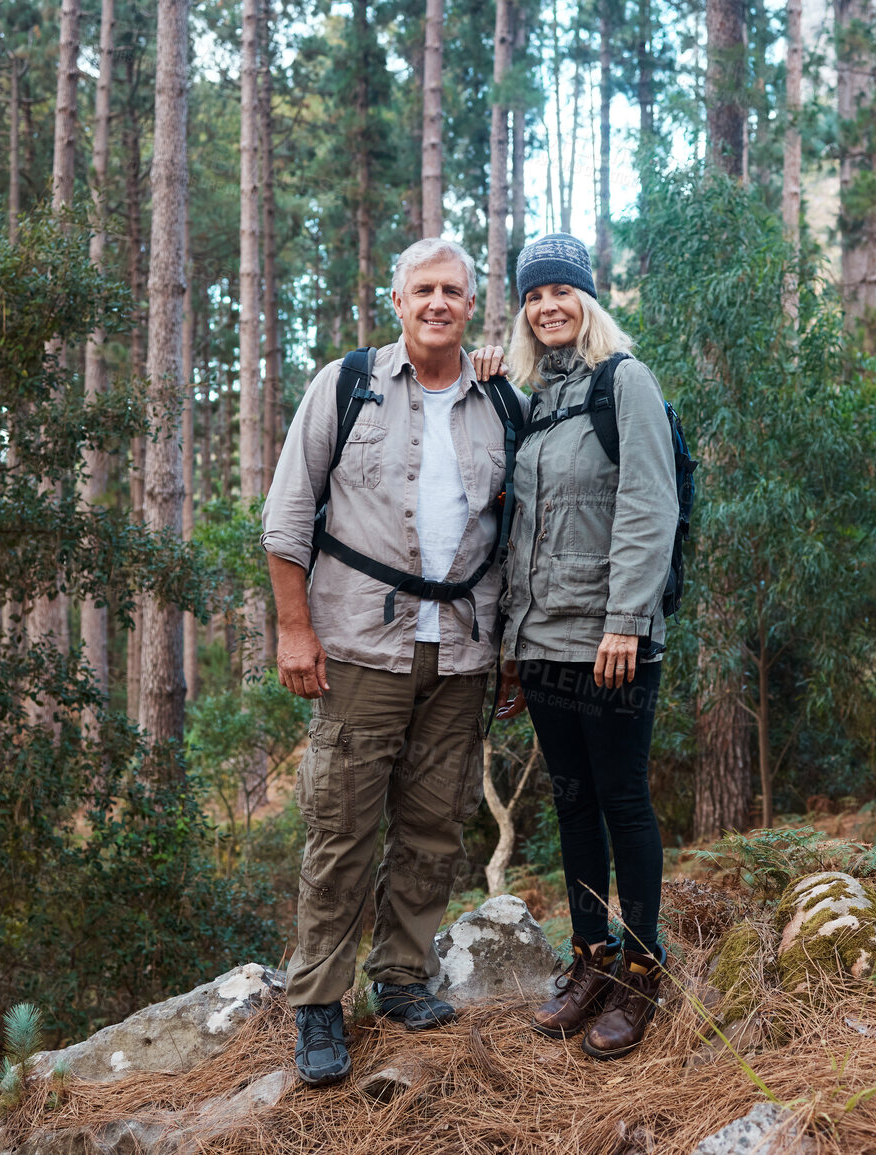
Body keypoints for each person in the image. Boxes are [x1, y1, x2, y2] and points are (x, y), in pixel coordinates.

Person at [261, 237, 523, 1087]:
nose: (438, 302)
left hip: (460, 650)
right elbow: (287, 516)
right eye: (424, 289)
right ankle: (318, 1004)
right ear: (398, 299)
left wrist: (510, 647)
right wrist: (294, 630)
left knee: (433, 823)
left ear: (470, 305)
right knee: (341, 829)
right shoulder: (348, 385)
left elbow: (517, 534)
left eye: (453, 289)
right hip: (360, 648)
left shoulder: (498, 400)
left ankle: (403, 977)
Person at [474, 233, 678, 1060]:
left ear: (587, 300)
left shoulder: (622, 381)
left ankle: (640, 969)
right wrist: (513, 649)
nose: (547, 305)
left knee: (622, 800)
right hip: (546, 645)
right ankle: (589, 958)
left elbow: (647, 503)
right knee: (570, 803)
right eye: (533, 295)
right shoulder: (534, 403)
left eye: (561, 291)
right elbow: (521, 529)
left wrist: (624, 618)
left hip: (612, 642)